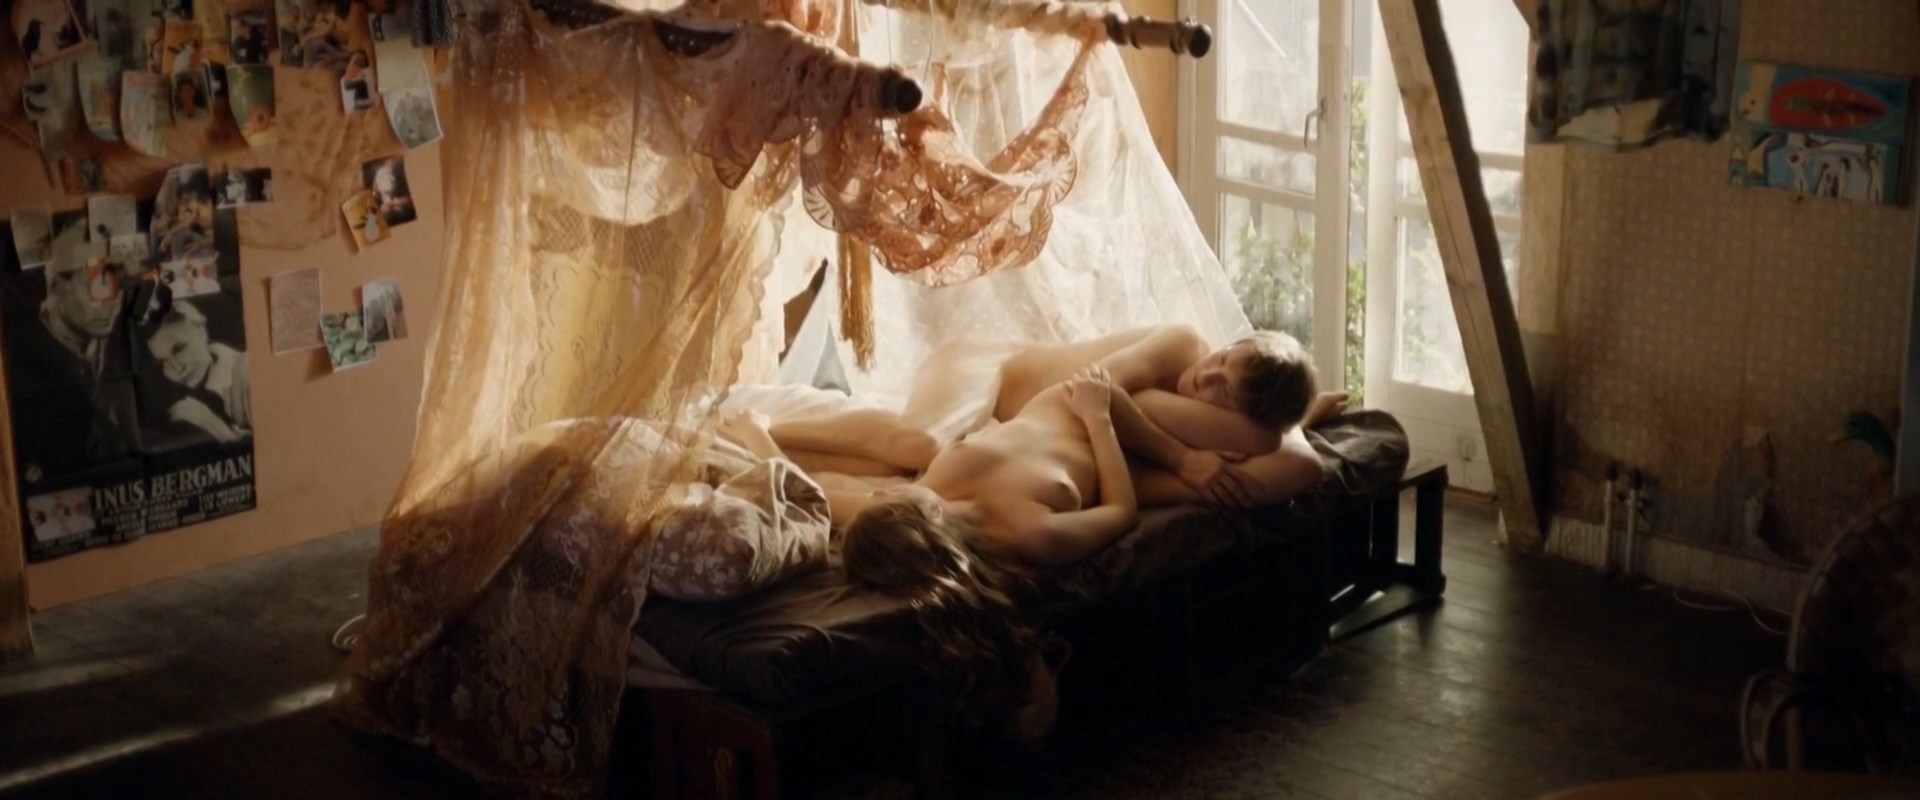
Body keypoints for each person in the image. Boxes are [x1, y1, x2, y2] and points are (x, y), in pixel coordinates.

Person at [140, 299, 250, 445]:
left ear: (200, 330)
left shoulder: (245, 371)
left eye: (179, 349)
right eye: (163, 362)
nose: (176, 368)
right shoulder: (174, 408)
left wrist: (211, 424)